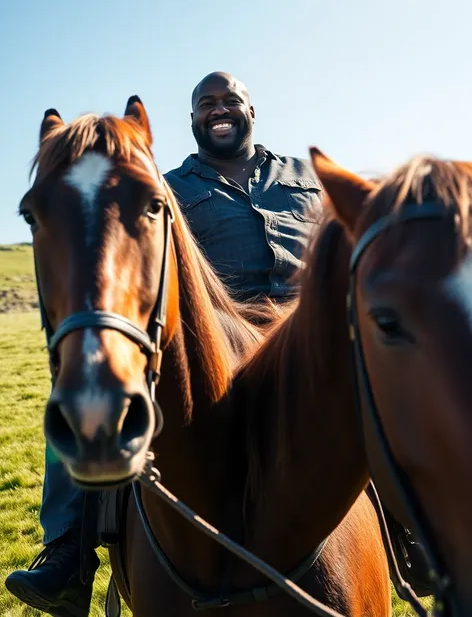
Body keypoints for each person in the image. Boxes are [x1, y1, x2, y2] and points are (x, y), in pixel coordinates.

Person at [6, 72, 323, 617]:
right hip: (219, 341)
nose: (218, 110)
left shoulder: (307, 179)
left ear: (252, 110)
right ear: (194, 120)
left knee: (384, 373)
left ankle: (414, 530)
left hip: (303, 340)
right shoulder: (165, 187)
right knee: (88, 379)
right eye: (206, 104)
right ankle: (69, 551)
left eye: (230, 101)